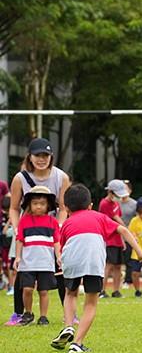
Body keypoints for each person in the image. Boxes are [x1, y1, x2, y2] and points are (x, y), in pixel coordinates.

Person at [50, 184, 142, 353]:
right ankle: (77, 343)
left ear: (66, 208)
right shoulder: (100, 217)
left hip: (72, 259)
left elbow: (63, 245)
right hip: (93, 261)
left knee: (70, 293)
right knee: (91, 302)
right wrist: (140, 252)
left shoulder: (66, 223)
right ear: (90, 205)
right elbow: (123, 230)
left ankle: (68, 326)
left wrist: (60, 259)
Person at [5, 138, 71, 326]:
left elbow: (64, 208)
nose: (41, 159)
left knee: (59, 270)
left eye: (45, 155)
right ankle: (19, 314)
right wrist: (17, 228)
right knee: (21, 271)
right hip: (26, 230)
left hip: (51, 229)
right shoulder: (20, 178)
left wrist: (58, 227)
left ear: (51, 157)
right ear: (30, 157)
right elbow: (14, 208)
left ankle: (69, 314)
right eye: (37, 155)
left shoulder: (61, 177)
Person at [14, 186, 61, 326]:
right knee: (27, 289)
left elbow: (56, 241)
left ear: (48, 205)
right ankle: (28, 313)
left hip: (46, 263)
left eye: (42, 204)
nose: (38, 206)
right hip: (27, 263)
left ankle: (43, 316)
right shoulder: (24, 221)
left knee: (43, 291)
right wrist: (18, 257)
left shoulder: (53, 222)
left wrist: (59, 257)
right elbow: (19, 240)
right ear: (29, 204)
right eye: (35, 203)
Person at [98, 179, 128, 298]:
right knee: (108, 265)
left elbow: (118, 218)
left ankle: (116, 290)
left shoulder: (116, 204)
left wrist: (122, 239)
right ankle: (102, 290)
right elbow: (116, 219)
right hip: (109, 239)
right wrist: (127, 231)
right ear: (110, 192)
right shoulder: (104, 204)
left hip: (117, 239)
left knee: (118, 266)